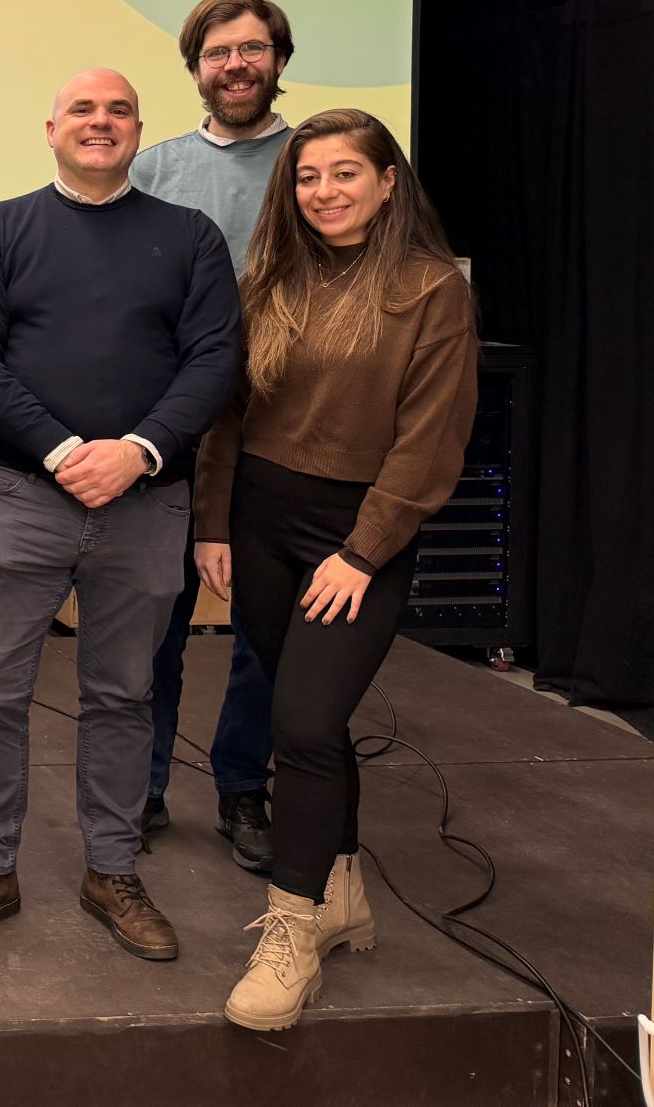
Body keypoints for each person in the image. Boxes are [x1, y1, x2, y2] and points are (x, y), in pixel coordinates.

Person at [0, 68, 239, 963]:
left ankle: (113, 870)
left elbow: (214, 362)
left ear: (140, 129)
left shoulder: (189, 237)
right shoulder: (0, 228)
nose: (99, 123)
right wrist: (68, 452)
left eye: (116, 111)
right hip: (24, 495)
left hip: (147, 504)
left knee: (123, 695)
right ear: (51, 127)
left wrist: (138, 450)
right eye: (82, 110)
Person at [202, 111, 477, 1029]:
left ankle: (291, 931)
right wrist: (214, 523)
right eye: (308, 176)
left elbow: (429, 440)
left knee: (308, 724)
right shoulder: (269, 277)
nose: (324, 191)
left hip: (359, 534)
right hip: (261, 518)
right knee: (302, 715)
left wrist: (363, 551)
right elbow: (230, 412)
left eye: (345, 173)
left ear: (388, 182)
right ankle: (344, 888)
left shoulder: (432, 290)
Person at [130, 0, 299, 872]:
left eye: (253, 48)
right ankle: (143, 786)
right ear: (195, 68)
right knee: (158, 625)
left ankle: (243, 788)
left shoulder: (317, 163)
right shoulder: (153, 170)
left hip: (282, 432)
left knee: (263, 632)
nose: (237, 64)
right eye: (219, 52)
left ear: (279, 59)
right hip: (178, 430)